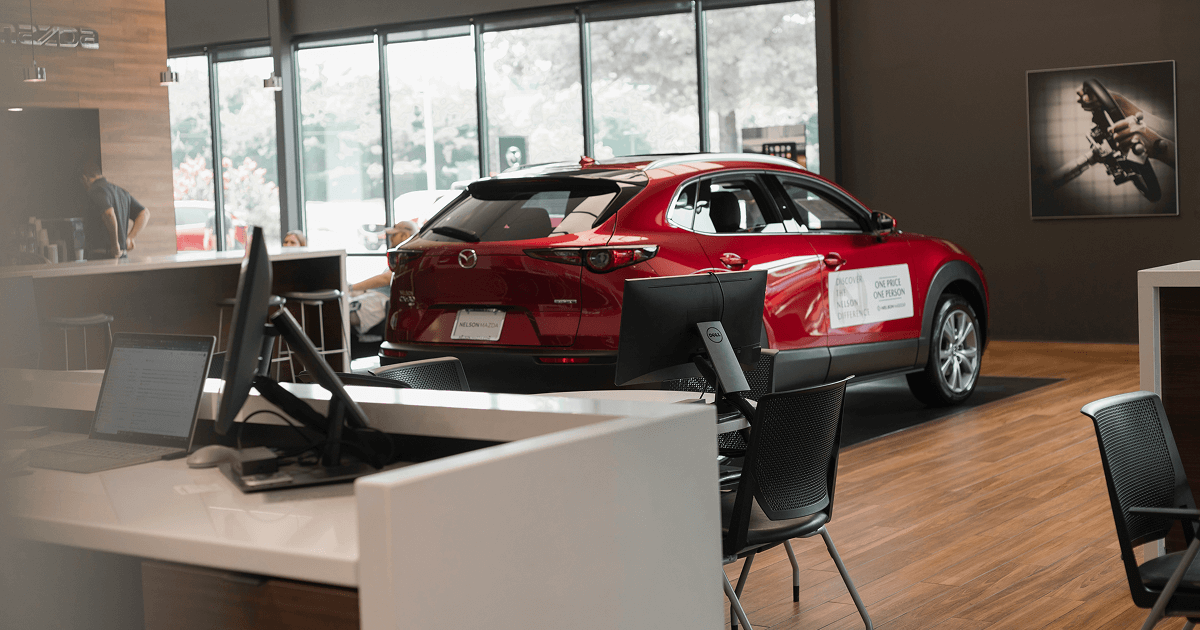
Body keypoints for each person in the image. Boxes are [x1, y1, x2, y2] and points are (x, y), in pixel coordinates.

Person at [349, 220, 416, 335]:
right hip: (375, 296)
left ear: (405, 236)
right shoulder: (399, 257)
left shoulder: (408, 257)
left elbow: (385, 279)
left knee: (341, 312)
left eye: (394, 235)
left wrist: (351, 288)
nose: (390, 238)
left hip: (382, 300)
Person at [82, 166, 149, 259]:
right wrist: (130, 237)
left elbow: (109, 214)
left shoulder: (95, 190)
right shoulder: (121, 192)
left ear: (84, 178)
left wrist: (114, 244)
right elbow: (144, 213)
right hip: (123, 256)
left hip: (101, 257)